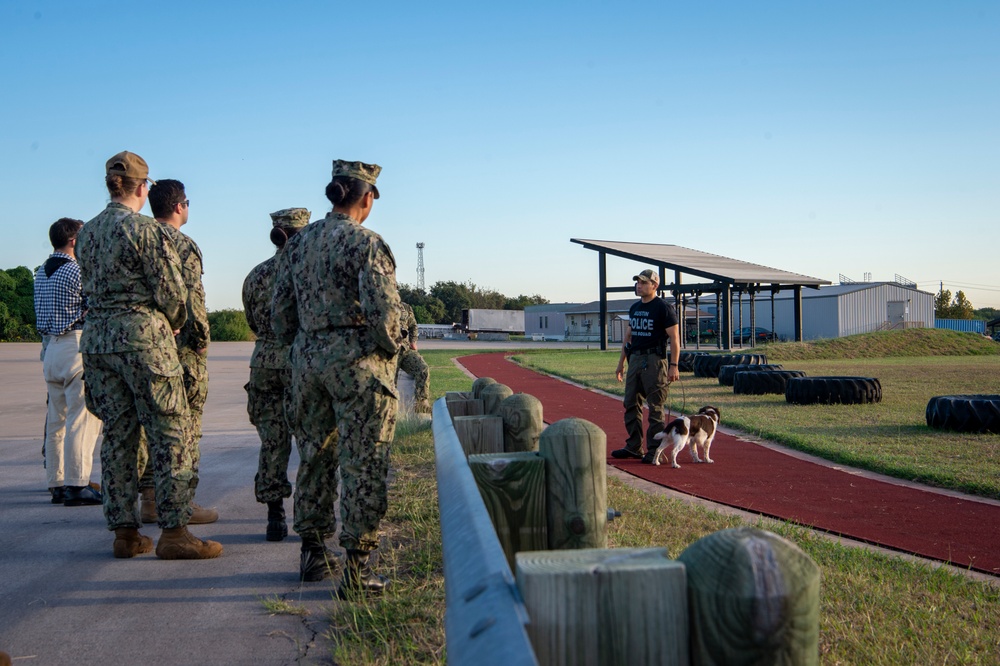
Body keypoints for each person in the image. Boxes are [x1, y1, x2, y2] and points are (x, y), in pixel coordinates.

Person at [75, 150, 222, 560]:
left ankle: (124, 533)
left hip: (99, 342)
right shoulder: (146, 231)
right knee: (170, 431)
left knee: (119, 436)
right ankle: (174, 531)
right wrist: (173, 322)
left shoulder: (87, 233)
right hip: (144, 339)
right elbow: (174, 294)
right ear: (143, 187)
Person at [272, 159, 402, 594]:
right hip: (357, 364)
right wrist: (392, 348)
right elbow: (386, 319)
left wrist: (307, 344)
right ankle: (358, 567)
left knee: (313, 456)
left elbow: (280, 316)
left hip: (308, 361)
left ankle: (312, 551)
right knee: (364, 460)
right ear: (366, 198)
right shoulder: (367, 244)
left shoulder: (298, 244)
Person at [139, 179, 219, 525]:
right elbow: (191, 298)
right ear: (178, 207)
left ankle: (150, 499)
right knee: (184, 428)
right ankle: (182, 502)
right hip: (180, 348)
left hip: (143, 345)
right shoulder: (182, 244)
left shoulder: (138, 236)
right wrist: (201, 338)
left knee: (147, 428)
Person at [242, 207, 310, 541]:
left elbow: (253, 323)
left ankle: (274, 515)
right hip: (300, 362)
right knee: (312, 441)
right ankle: (312, 517)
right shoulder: (309, 272)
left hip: (264, 363)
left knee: (272, 441)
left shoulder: (257, 275)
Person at [33, 217, 103, 506]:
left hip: (50, 349)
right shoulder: (77, 270)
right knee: (81, 420)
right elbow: (95, 304)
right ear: (74, 241)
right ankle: (78, 484)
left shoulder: (41, 272)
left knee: (56, 420)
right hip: (74, 344)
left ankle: (57, 482)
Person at [612, 269, 681, 464]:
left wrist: (674, 365)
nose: (639, 285)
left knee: (655, 406)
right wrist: (621, 364)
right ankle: (634, 446)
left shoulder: (663, 308)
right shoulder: (634, 308)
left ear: (655, 286)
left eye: (643, 282)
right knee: (630, 403)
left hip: (654, 361)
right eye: (637, 282)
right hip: (635, 359)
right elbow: (628, 338)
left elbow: (675, 339)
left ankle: (655, 450)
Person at [397, 302, 431, 413]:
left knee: (422, 369)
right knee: (389, 381)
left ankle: (421, 403)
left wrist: (413, 341)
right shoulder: (379, 305)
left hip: (405, 350)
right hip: (389, 352)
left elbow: (413, 325)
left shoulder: (405, 307)